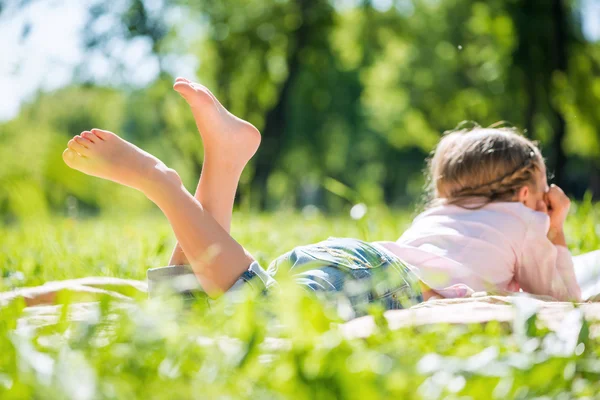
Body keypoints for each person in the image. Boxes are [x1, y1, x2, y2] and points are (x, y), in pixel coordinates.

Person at [58, 78, 597, 315]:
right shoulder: (528, 222)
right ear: (530, 192)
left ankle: (223, 164)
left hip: (349, 259)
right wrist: (554, 229)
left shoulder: (441, 214)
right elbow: (561, 296)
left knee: (189, 310)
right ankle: (162, 184)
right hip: (388, 285)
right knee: (255, 308)